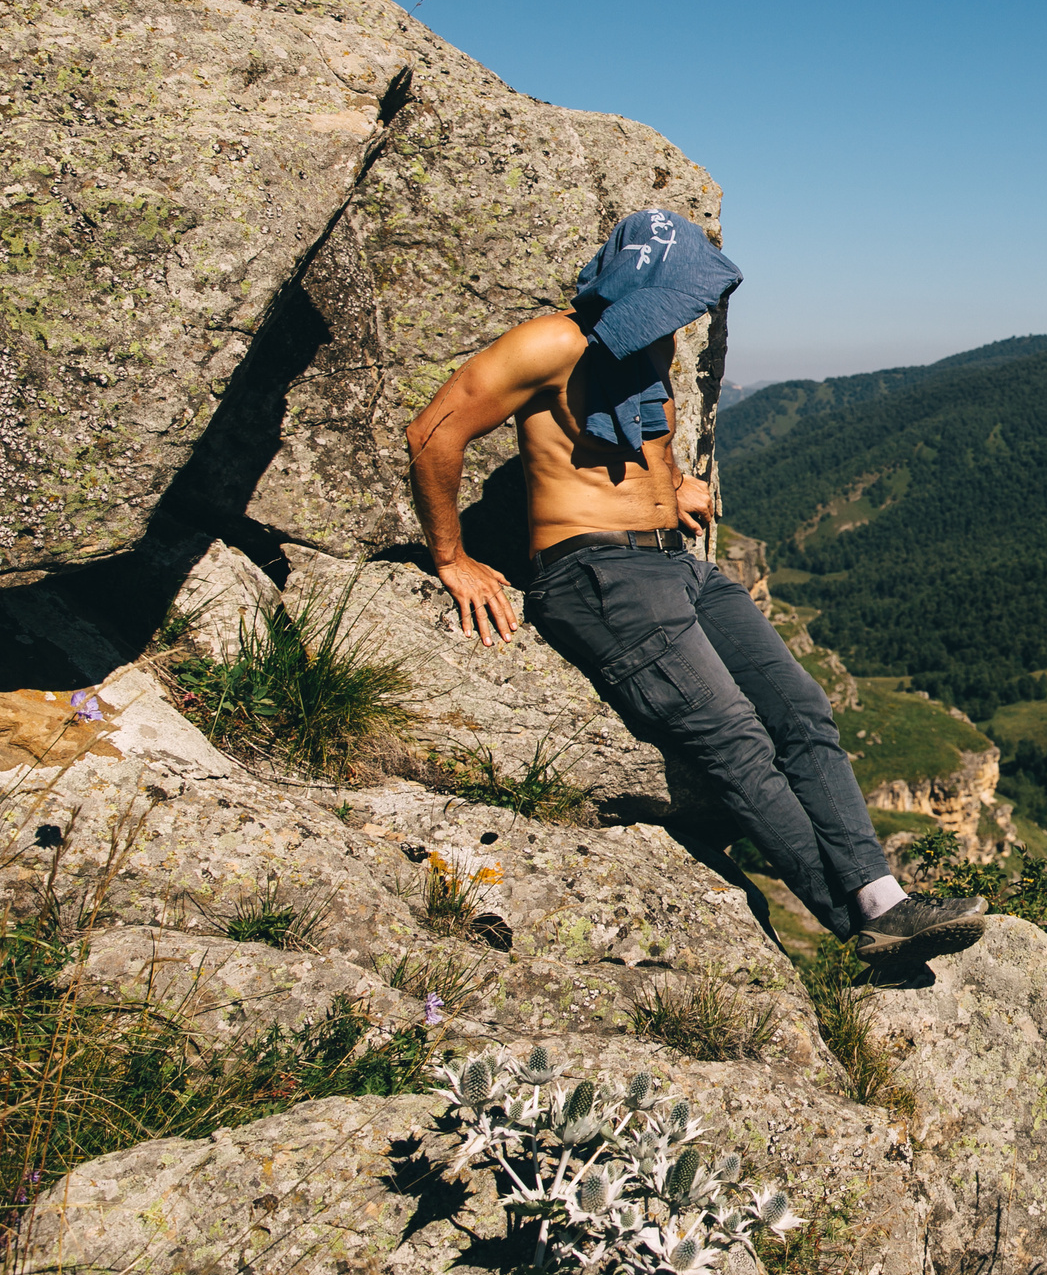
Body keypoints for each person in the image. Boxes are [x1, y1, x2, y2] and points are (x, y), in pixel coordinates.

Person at [404, 208, 985, 970]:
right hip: (595, 573)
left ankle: (886, 901)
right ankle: (857, 930)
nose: (692, 315)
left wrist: (675, 486)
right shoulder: (550, 343)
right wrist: (451, 556)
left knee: (801, 706)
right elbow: (432, 433)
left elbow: (648, 450)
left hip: (676, 564)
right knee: (736, 740)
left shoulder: (652, 346)